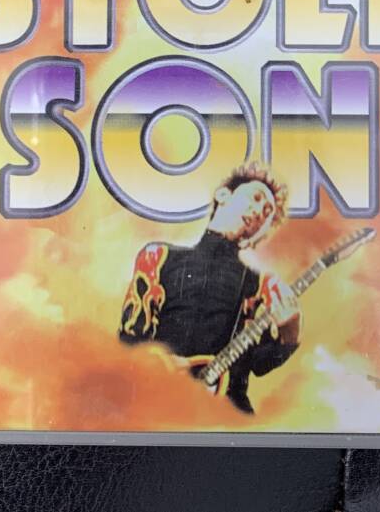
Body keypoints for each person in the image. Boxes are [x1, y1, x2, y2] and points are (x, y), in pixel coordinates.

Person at [118, 162, 300, 414]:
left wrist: (290, 334)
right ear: (223, 195)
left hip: (226, 414)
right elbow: (130, 340)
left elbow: (258, 365)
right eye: (256, 197)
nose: (259, 211)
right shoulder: (158, 257)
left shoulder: (261, 285)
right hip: (160, 404)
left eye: (267, 211)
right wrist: (160, 364)